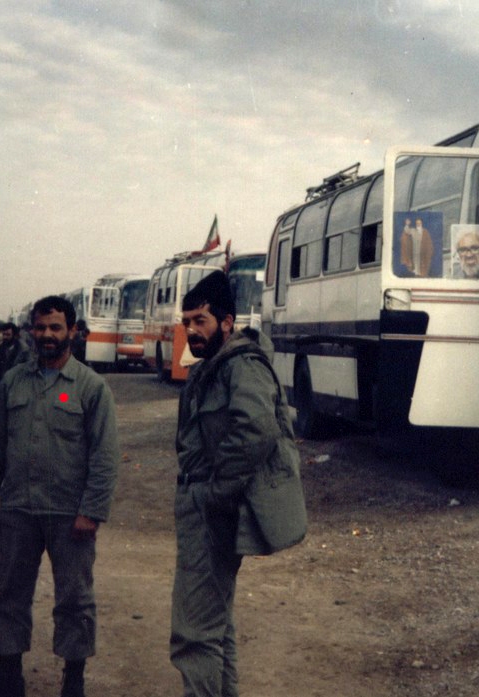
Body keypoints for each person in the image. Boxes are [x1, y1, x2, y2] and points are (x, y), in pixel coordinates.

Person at [170, 271, 306, 697]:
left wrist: (217, 493)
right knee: (216, 625)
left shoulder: (242, 365)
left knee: (194, 634)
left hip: (213, 506)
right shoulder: (212, 367)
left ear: (226, 322)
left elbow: (255, 428)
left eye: (201, 320)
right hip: (203, 504)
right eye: (187, 322)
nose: (192, 330)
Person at [0, 295, 119, 697]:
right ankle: (9, 677)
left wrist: (92, 511)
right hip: (18, 510)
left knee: (74, 599)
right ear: (31, 331)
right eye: (40, 327)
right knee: (9, 594)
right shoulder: (12, 382)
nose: (47, 335)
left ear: (72, 331)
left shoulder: (91, 388)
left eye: (55, 327)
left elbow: (105, 457)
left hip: (70, 515)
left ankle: (73, 682)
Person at [0, 322, 30, 414]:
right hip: (1, 386)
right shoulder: (0, 348)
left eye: (8, 335)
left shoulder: (23, 350)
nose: (5, 337)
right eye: (4, 334)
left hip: (16, 389)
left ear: (15, 335)